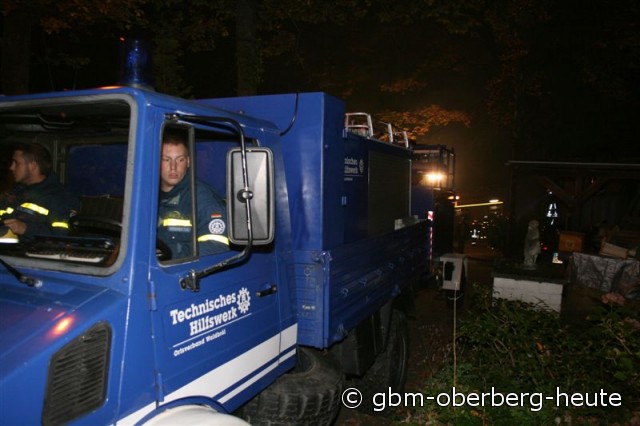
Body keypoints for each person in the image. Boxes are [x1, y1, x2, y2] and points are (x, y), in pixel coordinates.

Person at [157, 128, 229, 259]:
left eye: (180, 160)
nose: (173, 167)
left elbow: (217, 245)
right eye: (166, 160)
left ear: (188, 162)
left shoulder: (201, 197)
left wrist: (170, 253)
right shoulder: (144, 195)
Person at [0, 143, 80, 241]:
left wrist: (26, 229)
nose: (11, 167)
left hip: (31, 249)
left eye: (16, 163)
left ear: (32, 166)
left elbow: (63, 235)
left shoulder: (60, 197)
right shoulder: (14, 193)